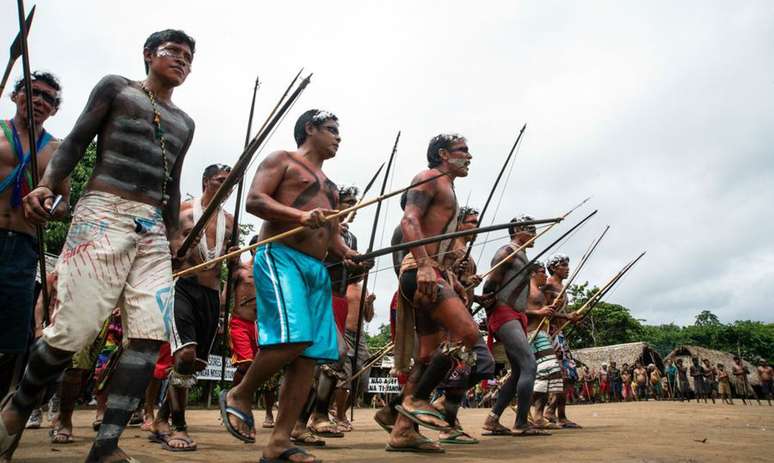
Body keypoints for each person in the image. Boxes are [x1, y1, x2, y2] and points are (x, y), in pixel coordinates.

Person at [2, 29, 196, 462]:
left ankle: (106, 446)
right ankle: (18, 407)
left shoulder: (185, 122)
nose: (182, 61)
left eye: (189, 57)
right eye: (173, 52)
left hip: (153, 232)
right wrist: (48, 186)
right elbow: (74, 141)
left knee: (148, 336)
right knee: (73, 331)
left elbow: (173, 181)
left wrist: (172, 236)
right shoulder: (117, 89)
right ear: (148, 54)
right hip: (103, 212)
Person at [218, 109, 364, 463]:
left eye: (338, 131)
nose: (337, 137)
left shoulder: (329, 186)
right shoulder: (282, 160)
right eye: (331, 130)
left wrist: (346, 253)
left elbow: (330, 234)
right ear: (309, 129)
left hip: (317, 269)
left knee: (310, 355)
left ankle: (279, 442)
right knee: (294, 336)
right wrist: (299, 216)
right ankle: (240, 393)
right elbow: (255, 201)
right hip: (281, 256)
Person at [387, 133, 494, 453]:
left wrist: (454, 280)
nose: (469, 156)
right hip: (420, 272)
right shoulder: (429, 178)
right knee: (470, 338)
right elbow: (409, 220)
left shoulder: (448, 188)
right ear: (444, 154)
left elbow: (439, 241)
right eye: (463, 150)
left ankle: (402, 428)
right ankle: (420, 400)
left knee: (427, 357)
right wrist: (423, 265)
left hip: (433, 274)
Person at [151, 164, 235, 452]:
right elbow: (162, 249)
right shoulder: (184, 211)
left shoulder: (231, 221)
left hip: (211, 295)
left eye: (230, 182)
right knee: (185, 354)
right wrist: (181, 247)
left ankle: (161, 419)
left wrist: (226, 301)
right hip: (183, 288)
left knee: (193, 362)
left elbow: (228, 264)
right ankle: (179, 426)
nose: (226, 186)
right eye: (220, 181)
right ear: (205, 181)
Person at [0, 71, 67, 395]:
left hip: (24, 245)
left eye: (49, 99)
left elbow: (65, 202)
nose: (40, 101)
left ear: (55, 109)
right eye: (33, 92)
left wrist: (48, 208)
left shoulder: (55, 150)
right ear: (16, 95)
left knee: (12, 334)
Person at [481, 219, 547, 437]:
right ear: (517, 230)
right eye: (531, 229)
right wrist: (489, 302)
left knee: (519, 370)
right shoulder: (506, 252)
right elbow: (490, 283)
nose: (535, 233)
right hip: (504, 312)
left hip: (516, 315)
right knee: (529, 364)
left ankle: (492, 419)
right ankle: (521, 423)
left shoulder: (522, 254)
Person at [229, 235, 280, 430]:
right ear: (253, 249)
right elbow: (226, 291)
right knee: (246, 365)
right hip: (240, 322)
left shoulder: (271, 273)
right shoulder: (240, 270)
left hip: (263, 325)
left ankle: (268, 413)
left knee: (267, 370)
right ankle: (235, 400)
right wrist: (231, 261)